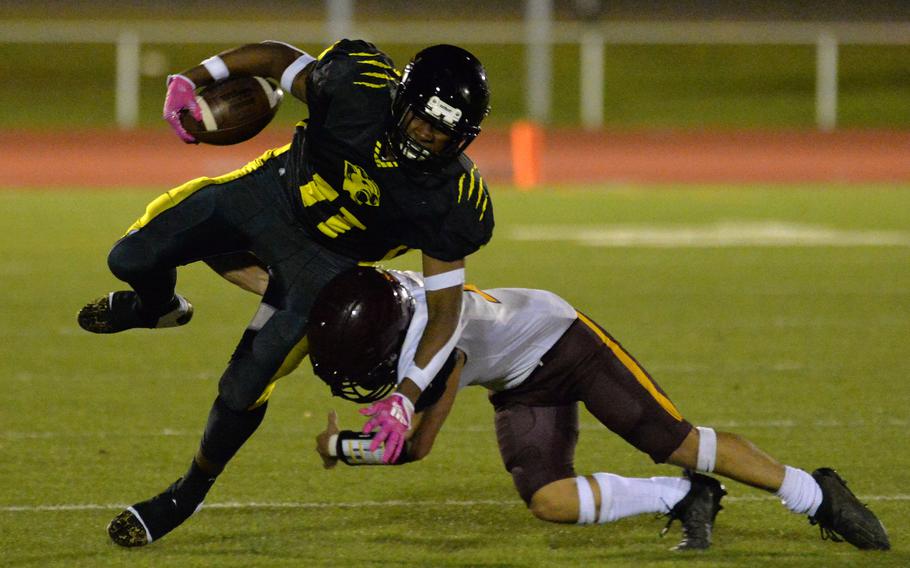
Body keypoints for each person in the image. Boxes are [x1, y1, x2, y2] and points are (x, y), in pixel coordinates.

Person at [78, 39, 494, 547]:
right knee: (130, 258)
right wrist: (193, 76)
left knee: (243, 386)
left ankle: (187, 493)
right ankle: (157, 306)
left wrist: (406, 397)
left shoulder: (449, 196)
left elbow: (446, 313)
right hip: (270, 194)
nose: (429, 137)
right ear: (400, 101)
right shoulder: (357, 88)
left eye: (446, 132)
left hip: (326, 265)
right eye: (425, 120)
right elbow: (275, 59)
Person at [308, 266, 891, 552]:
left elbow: (415, 447)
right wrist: (342, 446)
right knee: (548, 500)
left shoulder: (433, 349)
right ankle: (686, 496)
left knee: (676, 440)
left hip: (564, 341)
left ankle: (816, 495)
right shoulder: (387, 302)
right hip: (518, 382)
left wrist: (349, 448)